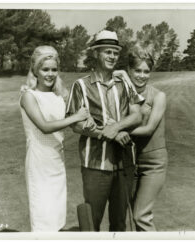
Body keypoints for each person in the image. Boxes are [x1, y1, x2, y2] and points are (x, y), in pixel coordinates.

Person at [66, 30, 144, 231]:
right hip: (95, 164)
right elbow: (74, 124)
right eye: (107, 52)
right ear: (95, 54)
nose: (112, 57)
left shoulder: (124, 84)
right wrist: (108, 133)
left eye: (115, 53)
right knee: (92, 222)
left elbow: (137, 115)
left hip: (124, 163)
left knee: (119, 223)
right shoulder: (81, 85)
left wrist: (116, 127)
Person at [19, 46, 89, 232]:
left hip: (57, 161)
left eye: (54, 69)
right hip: (39, 161)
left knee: (56, 217)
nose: (50, 74)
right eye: (45, 69)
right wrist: (75, 117)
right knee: (43, 217)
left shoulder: (59, 96)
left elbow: (76, 121)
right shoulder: (28, 96)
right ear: (35, 70)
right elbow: (44, 127)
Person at [114, 46, 168, 231]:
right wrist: (120, 73)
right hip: (130, 161)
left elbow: (148, 129)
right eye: (137, 70)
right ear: (129, 70)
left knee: (141, 216)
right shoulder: (124, 94)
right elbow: (110, 75)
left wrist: (119, 130)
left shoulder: (158, 96)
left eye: (146, 71)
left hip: (153, 163)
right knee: (132, 214)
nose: (142, 76)